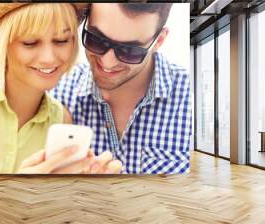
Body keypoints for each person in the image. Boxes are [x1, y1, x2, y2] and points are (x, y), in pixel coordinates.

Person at [0, 3, 122, 174]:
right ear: (4, 44)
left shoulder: (61, 118)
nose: (48, 58)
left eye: (61, 41)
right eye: (30, 42)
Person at [51, 3, 192, 174]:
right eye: (96, 40)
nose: (107, 62)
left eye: (129, 51)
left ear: (159, 41)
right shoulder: (56, 92)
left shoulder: (189, 99)